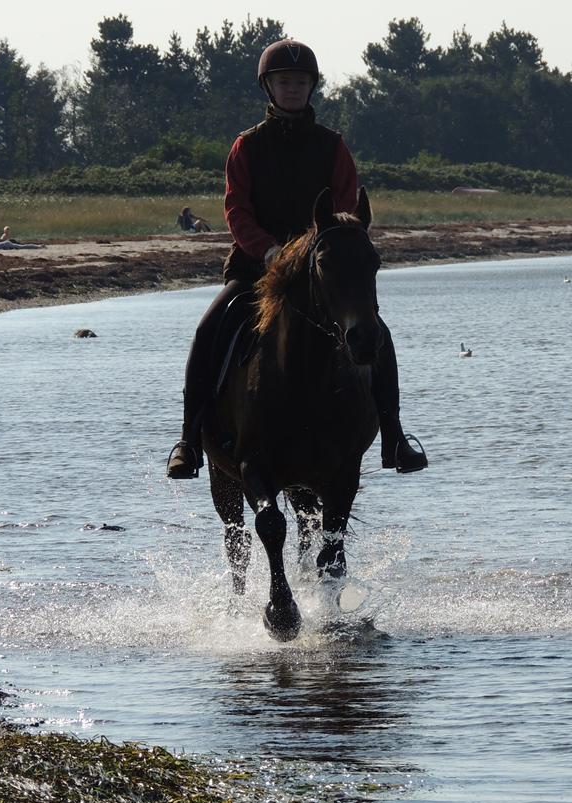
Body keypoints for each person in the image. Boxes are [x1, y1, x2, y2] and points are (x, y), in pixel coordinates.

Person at [166, 39, 427, 479]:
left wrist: (323, 249)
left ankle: (395, 436)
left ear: (311, 88)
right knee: (208, 330)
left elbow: (344, 209)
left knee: (378, 335)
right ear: (269, 87)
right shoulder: (247, 146)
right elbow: (236, 210)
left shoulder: (332, 145)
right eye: (284, 82)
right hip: (256, 267)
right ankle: (190, 442)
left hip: (323, 272)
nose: (293, 89)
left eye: (300, 82)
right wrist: (269, 250)